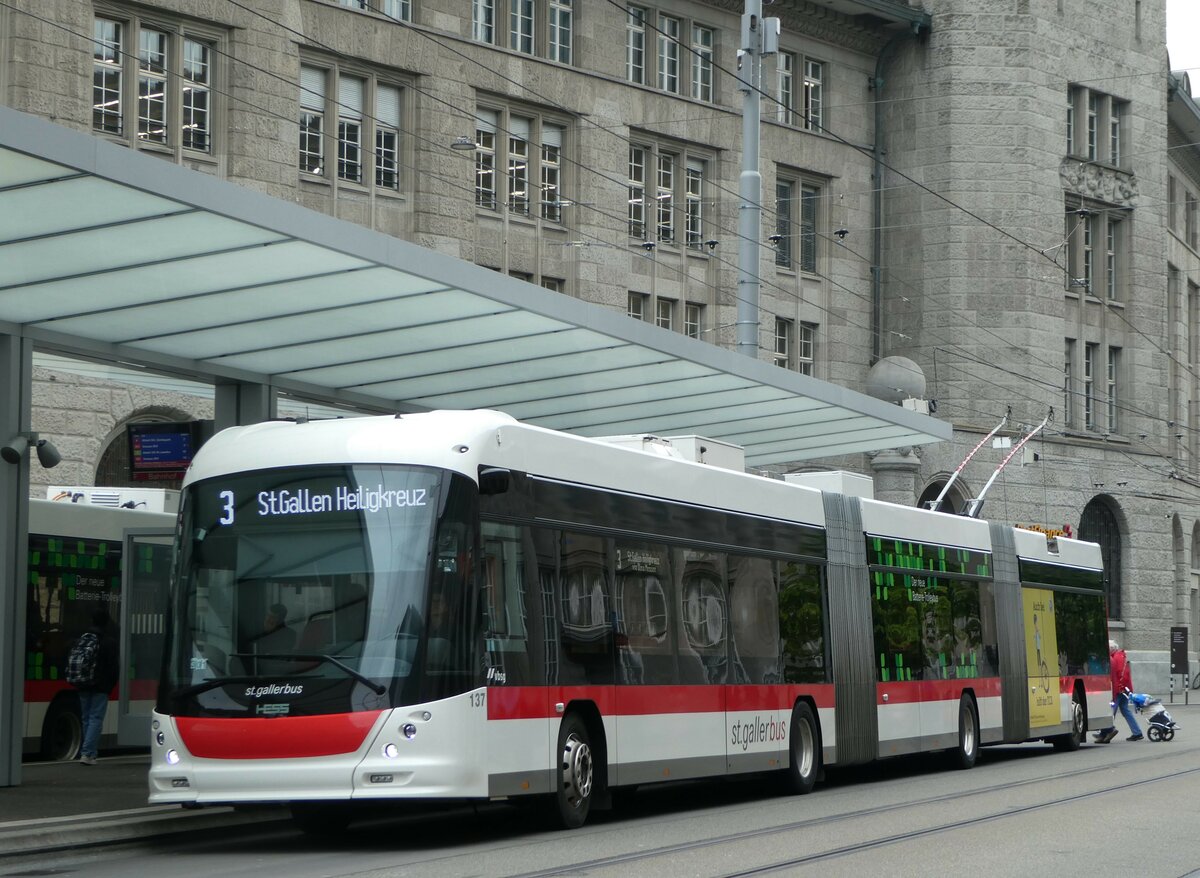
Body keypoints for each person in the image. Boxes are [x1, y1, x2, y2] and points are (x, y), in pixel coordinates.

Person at [74, 608, 119, 765]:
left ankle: (90, 753)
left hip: (82, 684)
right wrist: (110, 685)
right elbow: (113, 667)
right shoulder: (109, 642)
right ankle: (87, 753)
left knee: (86, 718)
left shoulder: (82, 639)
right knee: (96, 718)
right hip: (101, 686)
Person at [1093, 638, 1142, 743]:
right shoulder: (1120, 656)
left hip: (1119, 690)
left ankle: (1107, 731)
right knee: (1125, 710)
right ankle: (1137, 732)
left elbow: (1119, 675)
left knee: (1111, 710)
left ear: (1111, 649)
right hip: (1124, 689)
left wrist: (1118, 688)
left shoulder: (1116, 658)